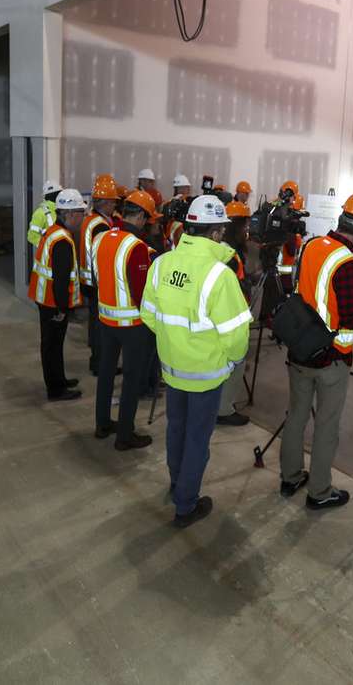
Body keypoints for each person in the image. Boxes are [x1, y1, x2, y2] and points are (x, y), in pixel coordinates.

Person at [280, 192, 353, 510]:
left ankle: (290, 477)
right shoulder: (348, 267)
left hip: (299, 349)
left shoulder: (313, 245)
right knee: (326, 427)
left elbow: (321, 279)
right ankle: (319, 492)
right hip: (330, 360)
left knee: (296, 417)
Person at [140, 195, 252, 528]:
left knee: (176, 431)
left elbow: (148, 314)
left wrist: (175, 344)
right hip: (205, 375)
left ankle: (177, 486)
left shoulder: (162, 263)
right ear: (217, 233)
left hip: (172, 370)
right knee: (196, 441)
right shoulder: (220, 276)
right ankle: (186, 504)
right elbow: (236, 338)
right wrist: (228, 360)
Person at [92, 190, 159, 450]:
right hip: (132, 326)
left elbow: (98, 278)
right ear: (140, 216)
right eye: (147, 219)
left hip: (105, 320)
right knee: (131, 379)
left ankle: (102, 424)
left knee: (106, 373)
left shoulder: (101, 238)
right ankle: (125, 436)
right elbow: (141, 293)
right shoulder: (136, 247)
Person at [29, 188, 87, 401]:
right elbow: (61, 280)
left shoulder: (53, 232)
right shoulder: (62, 239)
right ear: (69, 214)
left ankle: (59, 380)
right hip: (53, 303)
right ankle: (56, 389)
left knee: (53, 345)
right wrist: (63, 308)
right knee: (52, 347)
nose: (83, 217)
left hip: (45, 299)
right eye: (80, 212)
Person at [217, 201, 254, 426]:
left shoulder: (222, 248)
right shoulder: (228, 254)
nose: (248, 231)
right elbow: (231, 290)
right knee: (235, 361)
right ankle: (223, 409)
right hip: (230, 317)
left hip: (220, 316)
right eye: (245, 225)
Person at [80, 174, 118, 377]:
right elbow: (103, 256)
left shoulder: (91, 219)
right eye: (113, 202)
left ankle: (97, 361)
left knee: (95, 323)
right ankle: (101, 364)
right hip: (96, 282)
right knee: (100, 326)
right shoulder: (101, 225)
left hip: (88, 280)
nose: (114, 206)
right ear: (104, 202)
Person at [27, 179, 61, 247]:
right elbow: (32, 236)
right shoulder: (40, 213)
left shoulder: (62, 210)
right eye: (58, 193)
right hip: (48, 255)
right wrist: (46, 247)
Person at [162, 174, 193, 248]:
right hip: (176, 234)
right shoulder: (173, 203)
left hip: (172, 236)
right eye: (186, 187)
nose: (188, 189)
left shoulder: (169, 202)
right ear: (179, 188)